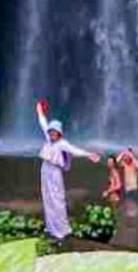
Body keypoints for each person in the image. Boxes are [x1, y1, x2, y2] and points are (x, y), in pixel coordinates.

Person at [35, 99, 101, 240]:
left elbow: (74, 150)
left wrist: (89, 154)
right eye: (51, 131)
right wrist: (39, 110)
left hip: (55, 171)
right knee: (47, 198)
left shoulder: (62, 144)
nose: (52, 134)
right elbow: (43, 122)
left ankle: (62, 230)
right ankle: (51, 228)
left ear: (59, 133)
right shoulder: (48, 140)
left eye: (55, 132)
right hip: (45, 169)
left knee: (57, 198)